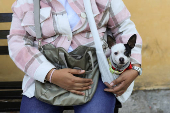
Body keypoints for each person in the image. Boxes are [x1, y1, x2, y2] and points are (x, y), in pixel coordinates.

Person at [7, 0, 142, 112]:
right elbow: (18, 42)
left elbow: (124, 28)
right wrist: (50, 74)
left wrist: (135, 67)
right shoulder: (26, 2)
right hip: (46, 74)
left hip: (96, 73)